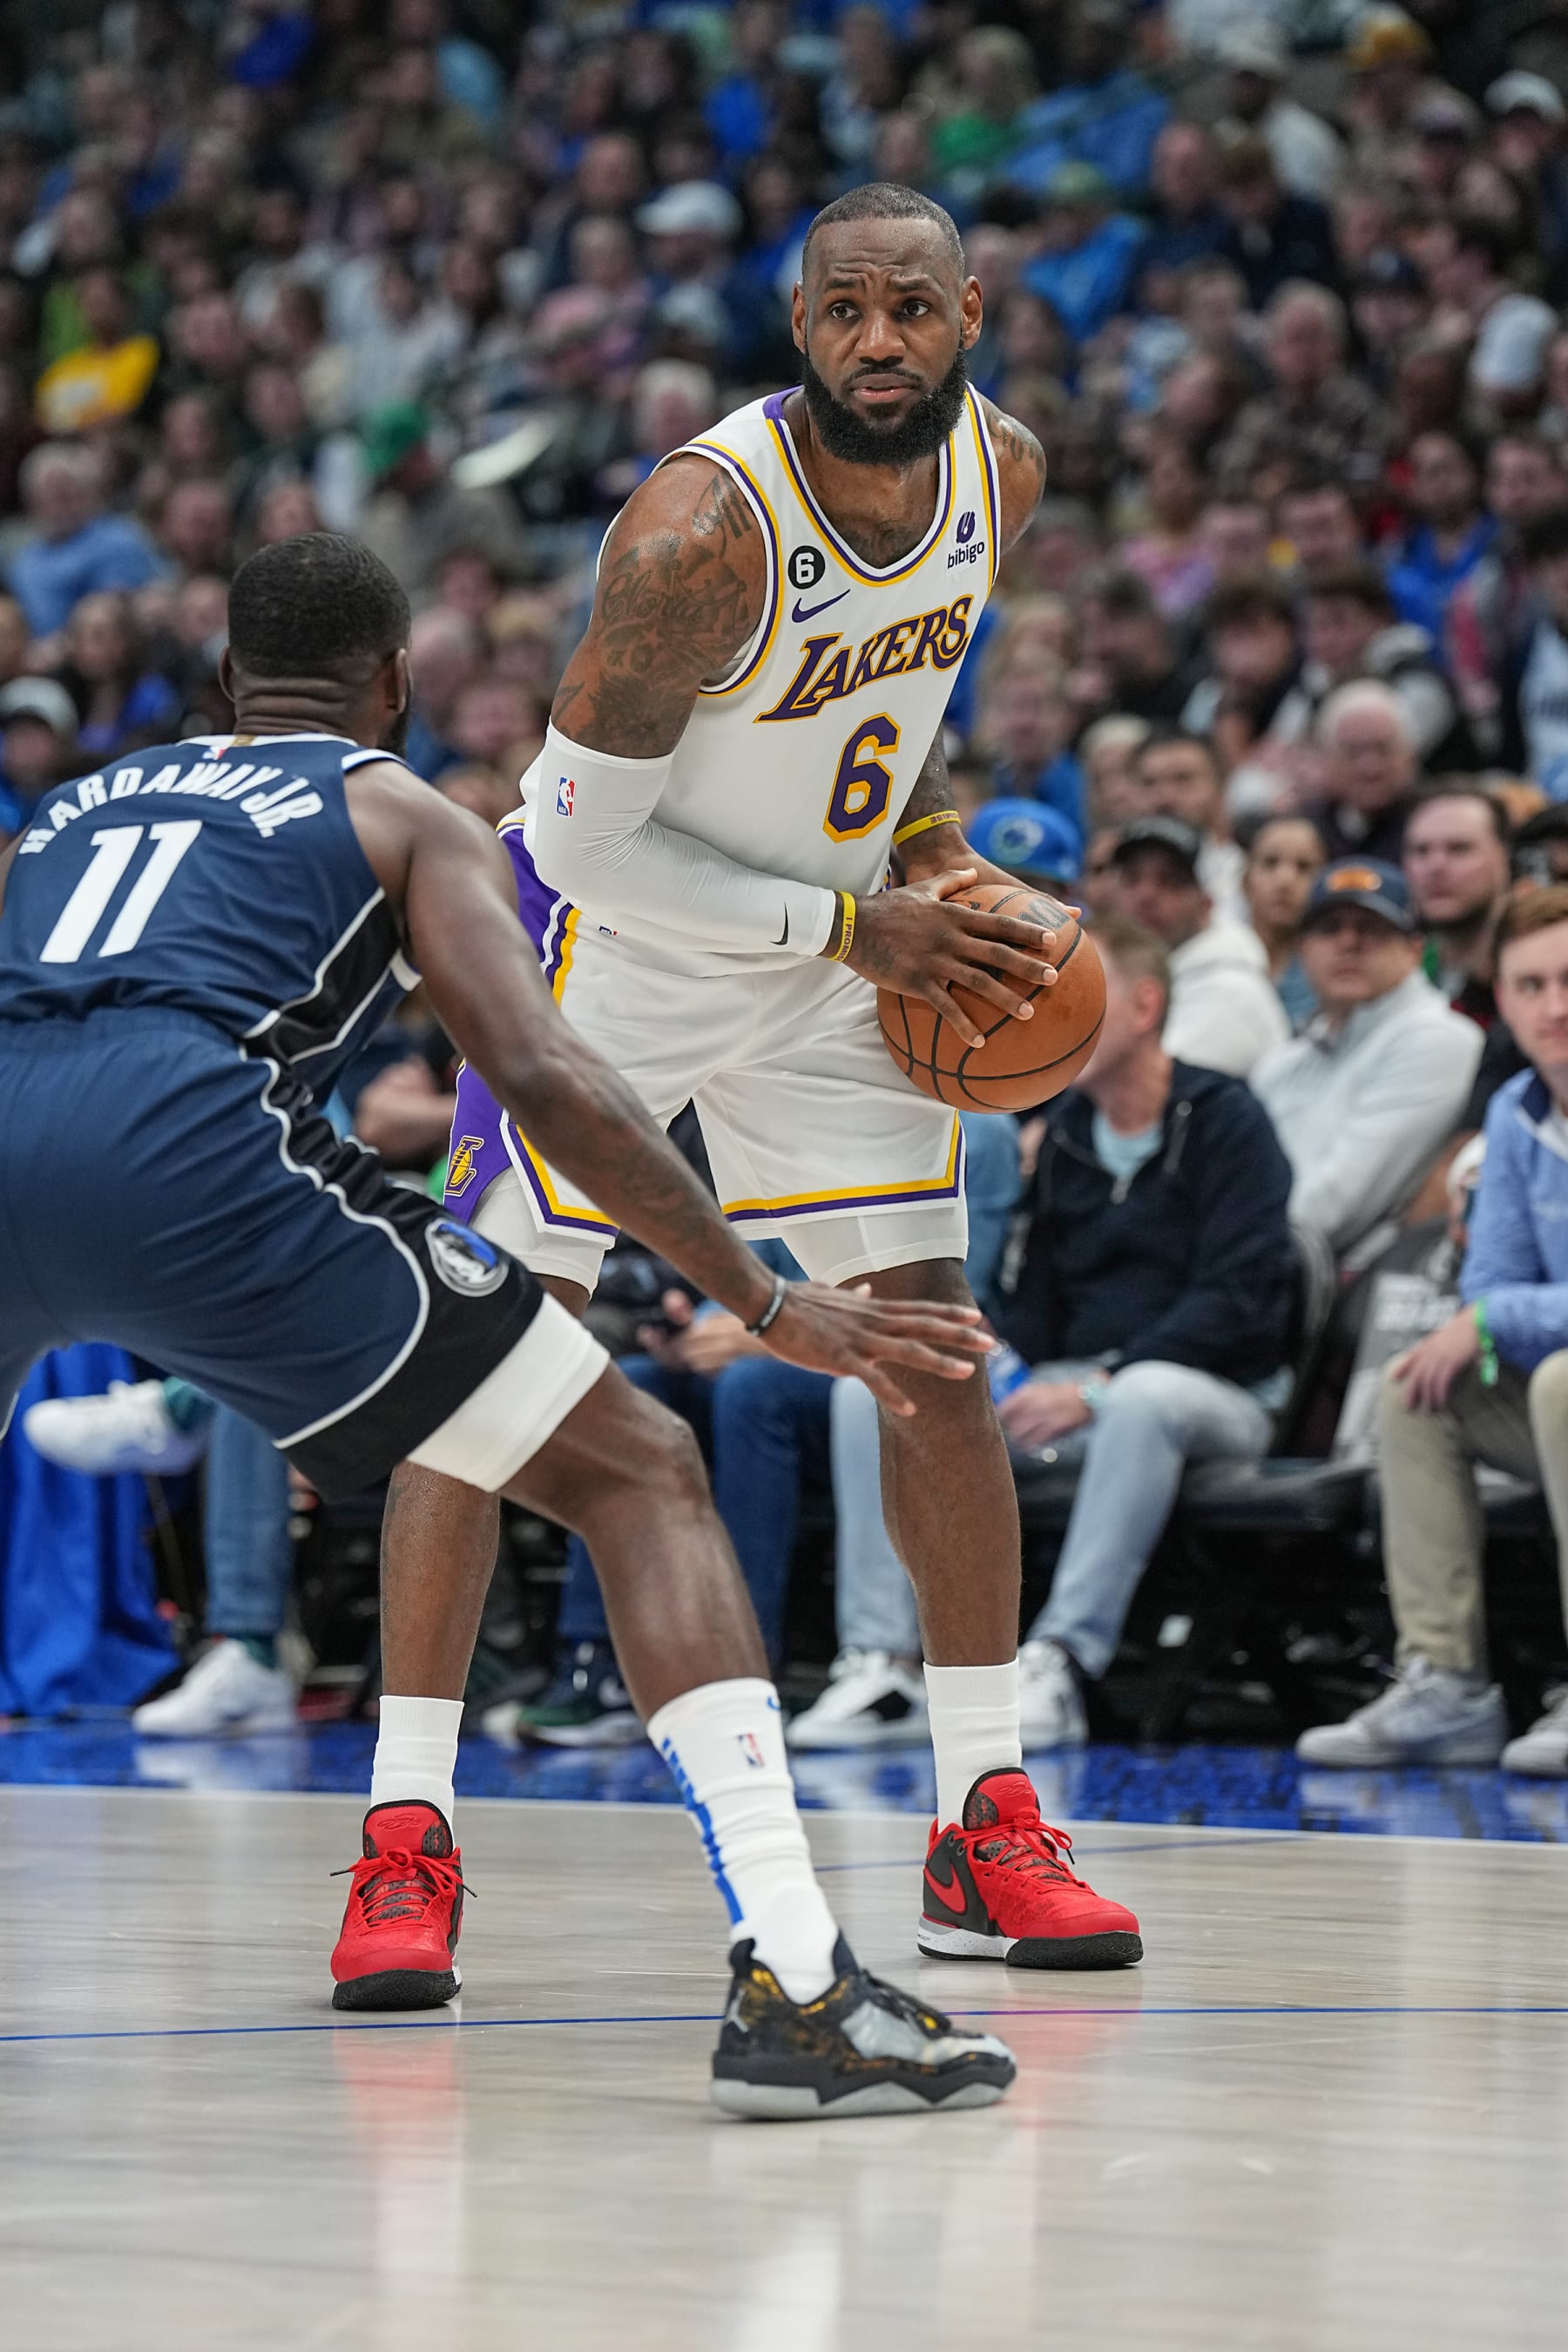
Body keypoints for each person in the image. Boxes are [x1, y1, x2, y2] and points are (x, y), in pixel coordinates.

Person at [0, 531, 1024, 2118]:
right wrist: (758, 1296)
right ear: (396, 685)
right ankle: (801, 1980)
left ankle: (418, 1829)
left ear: (219, 686)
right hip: (191, 1142)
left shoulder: (66, 807)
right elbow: (546, 1080)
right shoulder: (397, 805)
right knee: (637, 1473)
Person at [399, 185, 1143, 1973]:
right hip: (624, 954)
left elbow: (874, 733)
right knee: (488, 1374)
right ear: (796, 326)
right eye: (844, 313)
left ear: (970, 314)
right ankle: (404, 1837)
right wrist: (846, 925)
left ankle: (985, 1824)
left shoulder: (1003, 476)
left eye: (914, 309)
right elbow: (572, 843)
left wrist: (937, 852)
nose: (880, 342)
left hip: (836, 947)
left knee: (935, 1362)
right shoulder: (692, 533)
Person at [990, 918, 1295, 1745]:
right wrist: (1002, 1360)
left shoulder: (1227, 1120)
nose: (1050, 1015)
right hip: (1075, 1388)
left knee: (1144, 1400)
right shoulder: (1061, 1138)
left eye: (1075, 995)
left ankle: (1059, 1658)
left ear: (1146, 1005)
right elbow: (1033, 1301)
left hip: (1217, 1396)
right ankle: (889, 1664)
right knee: (897, 1401)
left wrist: (1103, 1384)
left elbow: (1237, 1301)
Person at [1298, 888, 1568, 1775]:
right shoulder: (1518, 1114)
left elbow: (1495, 1306)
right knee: (1416, 1385)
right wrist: (1487, 1318)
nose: (1553, 1005)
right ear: (1504, 996)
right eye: (1530, 985)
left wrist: (1493, 1317)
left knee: (1562, 1379)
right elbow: (1488, 1283)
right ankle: (1446, 1683)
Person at [1252, 859, 1484, 1262]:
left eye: (1372, 929)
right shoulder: (1282, 1062)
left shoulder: (1437, 1037)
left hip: (1337, 1289)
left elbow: (1333, 1208)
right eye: (1329, 928)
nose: (1349, 943)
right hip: (1264, 1263)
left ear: (1414, 950)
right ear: (1302, 950)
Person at [1109, 814, 1289, 1076]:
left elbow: (1146, 1087)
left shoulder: (1231, 990)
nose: (1145, 895)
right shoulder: (1129, 975)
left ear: (1207, 902)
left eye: (1169, 880)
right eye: (1132, 878)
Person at [1402, 781, 1512, 1025]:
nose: (1435, 867)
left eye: (1459, 849)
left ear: (1505, 856)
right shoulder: (1400, 974)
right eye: (1421, 851)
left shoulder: (1548, 972)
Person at [1307, 680, 1421, 863]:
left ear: (1410, 756)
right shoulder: (1303, 831)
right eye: (1353, 752)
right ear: (1326, 759)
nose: (1369, 767)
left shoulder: (1432, 828)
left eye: (1383, 750)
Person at [1243, 812, 1326, 1030]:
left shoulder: (1330, 974)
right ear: (1244, 881)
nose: (1285, 881)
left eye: (1304, 867)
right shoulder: (1219, 959)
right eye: (1270, 863)